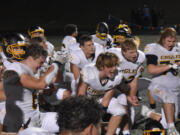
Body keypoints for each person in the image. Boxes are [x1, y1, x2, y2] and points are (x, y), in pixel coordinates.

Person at [2, 44, 59, 133]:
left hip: (37, 117)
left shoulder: (28, 70)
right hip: (25, 124)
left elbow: (30, 93)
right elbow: (41, 84)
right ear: (31, 58)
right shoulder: (14, 69)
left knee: (71, 121)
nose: (42, 65)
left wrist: (44, 91)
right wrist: (57, 64)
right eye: (41, 62)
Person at [77, 52, 130, 135]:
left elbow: (106, 99)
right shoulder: (89, 71)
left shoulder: (117, 75)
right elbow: (80, 95)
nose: (114, 69)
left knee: (120, 111)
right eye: (110, 66)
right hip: (84, 100)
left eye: (115, 65)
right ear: (101, 66)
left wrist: (99, 115)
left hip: (99, 98)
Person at [144, 27, 180, 135]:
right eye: (169, 41)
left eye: (173, 41)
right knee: (167, 98)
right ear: (163, 39)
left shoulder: (177, 48)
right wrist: (171, 66)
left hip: (174, 89)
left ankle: (147, 113)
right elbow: (151, 70)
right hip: (157, 88)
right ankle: (172, 129)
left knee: (168, 120)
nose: (171, 44)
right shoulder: (154, 48)